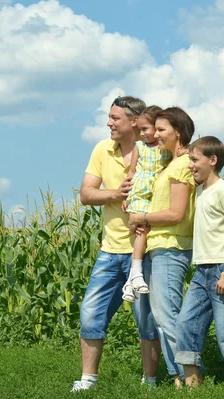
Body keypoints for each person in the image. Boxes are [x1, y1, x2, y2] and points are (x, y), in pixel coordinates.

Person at [73, 96, 161, 392]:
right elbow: (86, 194)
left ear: (134, 121)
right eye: (109, 118)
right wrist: (116, 194)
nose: (109, 123)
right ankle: (88, 380)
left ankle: (149, 382)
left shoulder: (155, 150)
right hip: (110, 250)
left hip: (145, 250)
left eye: (115, 118)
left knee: (146, 320)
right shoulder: (102, 149)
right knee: (90, 312)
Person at [128, 106, 196, 387]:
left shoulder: (182, 165)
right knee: (161, 318)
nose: (155, 135)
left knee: (169, 318)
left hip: (171, 247)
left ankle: (191, 379)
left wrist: (141, 217)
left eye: (161, 130)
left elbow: (176, 213)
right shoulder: (170, 163)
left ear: (178, 132)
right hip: (159, 246)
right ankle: (178, 378)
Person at [175, 136, 224, 386]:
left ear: (213, 160)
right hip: (201, 271)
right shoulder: (201, 189)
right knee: (186, 323)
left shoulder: (223, 191)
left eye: (195, 160)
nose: (190, 165)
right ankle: (193, 384)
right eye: (190, 160)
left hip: (221, 268)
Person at [121, 106, 172, 302]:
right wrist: (126, 196)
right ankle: (136, 270)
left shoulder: (164, 149)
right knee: (142, 229)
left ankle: (129, 282)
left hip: (156, 193)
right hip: (141, 192)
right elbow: (132, 172)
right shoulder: (139, 147)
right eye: (140, 130)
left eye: (145, 129)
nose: (142, 134)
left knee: (147, 228)